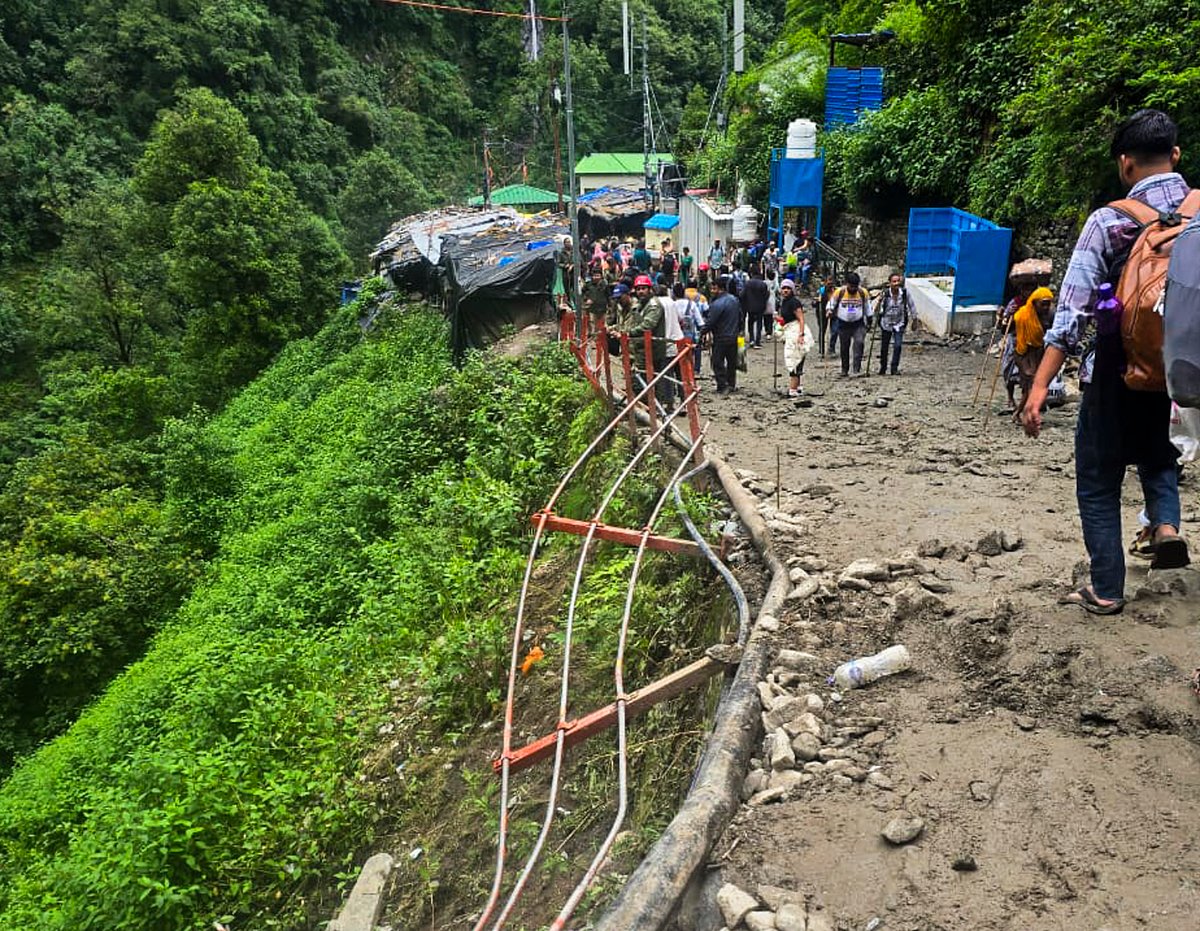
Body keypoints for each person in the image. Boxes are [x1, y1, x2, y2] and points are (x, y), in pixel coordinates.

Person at [1023, 109, 1193, 615]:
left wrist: (1040, 386)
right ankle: (1165, 526)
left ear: (1125, 164)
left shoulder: (1109, 221)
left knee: (1098, 480)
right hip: (1182, 374)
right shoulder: (1199, 215)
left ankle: (1106, 590)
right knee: (1160, 456)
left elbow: (1071, 315)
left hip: (1116, 373)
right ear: (1175, 155)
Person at [1011, 286, 1055, 421]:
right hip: (1024, 353)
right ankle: (1028, 413)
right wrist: (1006, 317)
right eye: (1043, 304)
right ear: (1034, 303)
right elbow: (1007, 330)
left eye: (1048, 304)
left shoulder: (1049, 316)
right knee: (1031, 380)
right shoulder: (1022, 315)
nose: (1046, 307)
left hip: (1039, 352)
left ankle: (1019, 412)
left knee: (1032, 385)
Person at [703, 275, 742, 395]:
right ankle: (731, 384)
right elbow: (740, 317)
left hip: (721, 337)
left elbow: (711, 321)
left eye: (713, 288)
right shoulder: (734, 300)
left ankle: (722, 385)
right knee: (731, 362)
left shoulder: (717, 304)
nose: (712, 291)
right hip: (733, 336)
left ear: (719, 288)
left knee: (717, 362)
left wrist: (702, 332)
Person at [829, 271, 870, 376]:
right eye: (851, 286)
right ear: (847, 283)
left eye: (855, 286)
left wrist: (869, 320)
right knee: (844, 347)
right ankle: (844, 369)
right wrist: (829, 310)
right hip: (843, 323)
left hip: (858, 323)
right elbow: (831, 304)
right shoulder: (840, 292)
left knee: (859, 343)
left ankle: (856, 369)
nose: (853, 289)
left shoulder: (863, 292)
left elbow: (867, 307)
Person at [872, 272, 914, 375]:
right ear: (890, 283)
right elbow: (876, 310)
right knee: (884, 347)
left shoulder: (904, 293)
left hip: (899, 323)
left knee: (898, 345)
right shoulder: (885, 294)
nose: (896, 283)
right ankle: (883, 367)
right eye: (894, 281)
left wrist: (915, 319)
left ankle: (894, 368)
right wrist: (879, 302)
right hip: (886, 323)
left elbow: (912, 305)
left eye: (898, 281)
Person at [778, 278, 812, 397]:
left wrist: (801, 335)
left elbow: (801, 319)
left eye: (788, 288)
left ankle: (793, 388)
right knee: (794, 357)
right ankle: (797, 386)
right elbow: (786, 319)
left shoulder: (794, 302)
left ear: (792, 290)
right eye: (784, 288)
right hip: (789, 331)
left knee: (794, 359)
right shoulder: (784, 302)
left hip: (796, 332)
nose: (785, 290)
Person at [742, 267, 770, 348]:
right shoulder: (763, 284)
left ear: (751, 274)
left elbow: (742, 294)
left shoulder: (747, 283)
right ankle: (757, 341)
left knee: (750, 323)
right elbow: (766, 295)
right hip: (760, 307)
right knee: (759, 323)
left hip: (750, 306)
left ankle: (751, 339)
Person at [816, 274, 834, 358]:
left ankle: (831, 348)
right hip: (822, 313)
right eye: (828, 283)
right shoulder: (821, 291)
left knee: (835, 331)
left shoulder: (836, 291)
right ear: (825, 282)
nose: (830, 285)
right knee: (822, 331)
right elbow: (814, 302)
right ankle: (821, 350)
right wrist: (817, 300)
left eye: (831, 283)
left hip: (833, 313)